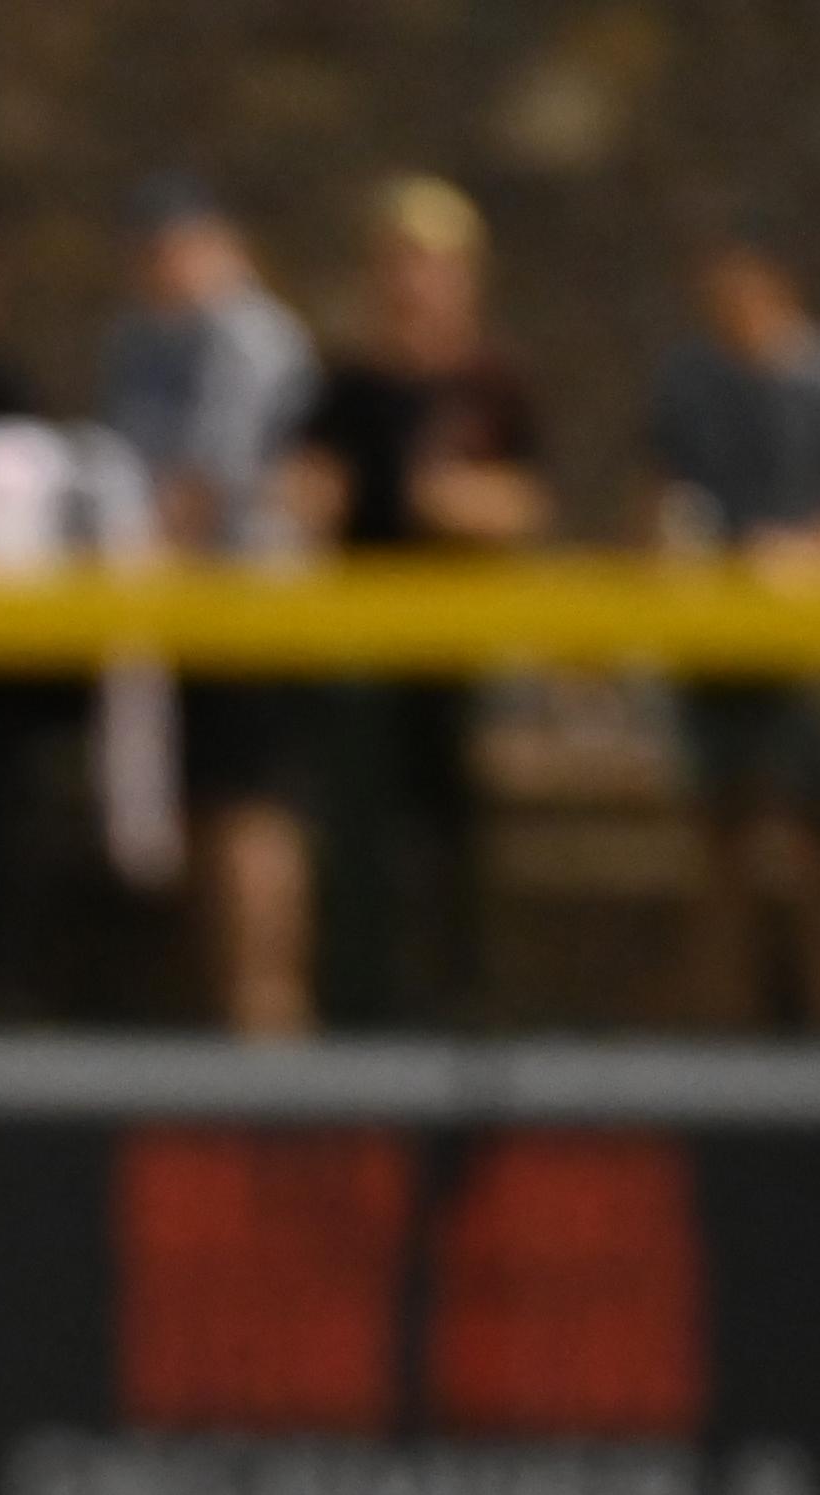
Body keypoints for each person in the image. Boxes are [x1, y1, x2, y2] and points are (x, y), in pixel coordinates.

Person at [274, 175, 549, 1030]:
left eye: (431, 264)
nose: (414, 282)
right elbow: (302, 491)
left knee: (457, 844)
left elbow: (526, 503)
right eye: (399, 263)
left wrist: (462, 503)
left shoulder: (492, 383)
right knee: (358, 843)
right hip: (365, 655)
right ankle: (361, 1013)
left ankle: (464, 1009)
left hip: (462, 656)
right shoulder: (348, 385)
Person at [97, 173, 320, 1031]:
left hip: (248, 610)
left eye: (178, 247)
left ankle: (267, 1012)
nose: (163, 267)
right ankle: (225, 1010)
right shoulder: (143, 338)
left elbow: (205, 485)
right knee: (197, 814)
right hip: (175, 614)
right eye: (150, 251)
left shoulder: (248, 336)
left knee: (250, 811)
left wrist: (138, 549)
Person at [650, 222, 820, 1025]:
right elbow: (656, 498)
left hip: (803, 653)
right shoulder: (691, 383)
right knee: (721, 851)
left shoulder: (811, 382)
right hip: (715, 646)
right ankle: (724, 1047)